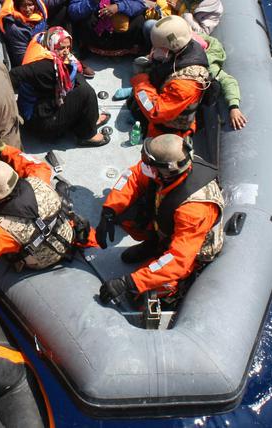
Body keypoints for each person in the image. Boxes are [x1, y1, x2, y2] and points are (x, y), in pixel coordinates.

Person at [95, 134, 224, 304]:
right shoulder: (171, 169)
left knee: (137, 296)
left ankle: (173, 281)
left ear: (164, 171)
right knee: (125, 210)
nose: (144, 165)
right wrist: (109, 210)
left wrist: (129, 282)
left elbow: (179, 259)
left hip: (190, 251)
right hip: (168, 226)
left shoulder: (194, 210)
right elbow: (133, 176)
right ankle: (154, 244)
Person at [139, 3, 246, 129]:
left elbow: (229, 81)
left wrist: (234, 106)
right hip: (168, 73)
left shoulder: (199, 72)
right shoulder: (189, 41)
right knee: (149, 26)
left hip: (169, 122)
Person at [9, 26, 111, 146]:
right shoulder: (43, 67)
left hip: (47, 102)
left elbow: (74, 67)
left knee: (77, 77)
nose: (66, 51)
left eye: (68, 47)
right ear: (52, 45)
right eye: (62, 48)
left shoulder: (45, 46)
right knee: (86, 93)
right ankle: (87, 135)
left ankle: (89, 120)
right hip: (41, 122)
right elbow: (12, 76)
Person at [129, 15, 210, 138]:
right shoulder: (186, 46)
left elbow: (155, 111)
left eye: (158, 48)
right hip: (165, 101)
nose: (154, 50)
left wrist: (140, 82)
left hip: (166, 132)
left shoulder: (185, 84)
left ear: (171, 47)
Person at [68, 0, 148, 56]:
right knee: (84, 20)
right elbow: (72, 11)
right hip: (95, 35)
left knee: (139, 20)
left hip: (122, 35)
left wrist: (118, 7)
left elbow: (140, 5)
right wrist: (92, 2)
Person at [0, 0, 49, 66]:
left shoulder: (40, 15)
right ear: (18, 6)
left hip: (41, 51)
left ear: (36, 5)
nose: (27, 9)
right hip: (28, 62)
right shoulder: (15, 27)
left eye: (30, 5)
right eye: (23, 5)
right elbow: (21, 59)